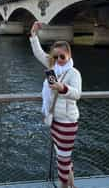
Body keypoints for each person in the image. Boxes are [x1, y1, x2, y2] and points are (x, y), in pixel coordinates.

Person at [30, 22, 82, 188]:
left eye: (62, 57)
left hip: (67, 122)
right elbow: (38, 53)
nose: (58, 60)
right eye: (55, 56)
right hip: (54, 120)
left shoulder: (74, 73)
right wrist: (33, 35)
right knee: (63, 157)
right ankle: (72, 186)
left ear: (68, 55)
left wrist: (63, 88)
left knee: (63, 160)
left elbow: (77, 94)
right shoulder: (52, 67)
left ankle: (63, 186)